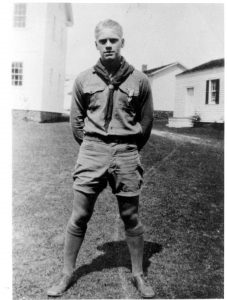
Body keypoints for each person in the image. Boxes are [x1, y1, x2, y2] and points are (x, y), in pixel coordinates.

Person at [47, 19, 155, 298]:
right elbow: (76, 123)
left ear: (122, 42)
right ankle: (66, 274)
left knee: (130, 216)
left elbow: (146, 122)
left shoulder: (139, 80)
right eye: (103, 41)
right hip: (92, 151)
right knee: (80, 214)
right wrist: (95, 146)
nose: (108, 45)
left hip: (126, 152)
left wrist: (126, 146)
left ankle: (138, 275)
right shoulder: (84, 79)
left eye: (113, 40)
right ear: (96, 44)